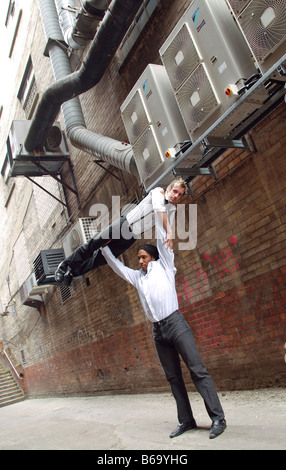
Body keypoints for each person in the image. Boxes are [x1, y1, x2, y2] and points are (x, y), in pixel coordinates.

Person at [100, 211, 226, 440]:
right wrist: (103, 247)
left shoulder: (166, 266)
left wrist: (161, 210)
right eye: (138, 259)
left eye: (143, 257)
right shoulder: (138, 278)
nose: (140, 262)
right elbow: (118, 268)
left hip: (176, 323)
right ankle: (186, 420)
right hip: (158, 331)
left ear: (153, 257)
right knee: (173, 377)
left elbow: (161, 238)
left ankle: (218, 418)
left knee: (197, 370)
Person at [55, 178, 187, 285]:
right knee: (93, 244)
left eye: (179, 194)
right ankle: (63, 266)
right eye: (175, 191)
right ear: (169, 188)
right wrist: (170, 233)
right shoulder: (158, 192)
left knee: (102, 259)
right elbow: (159, 208)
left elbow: (163, 226)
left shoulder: (172, 210)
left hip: (132, 236)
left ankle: (72, 272)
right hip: (124, 224)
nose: (176, 196)